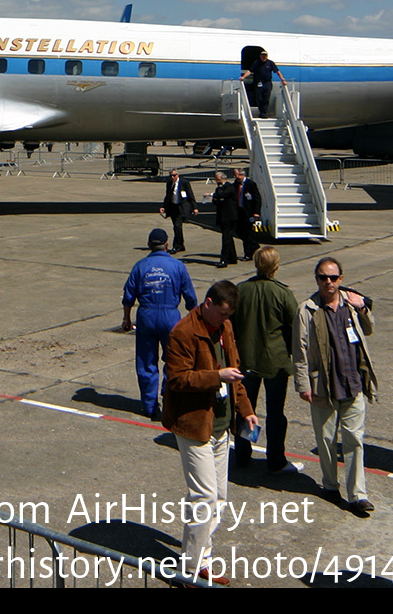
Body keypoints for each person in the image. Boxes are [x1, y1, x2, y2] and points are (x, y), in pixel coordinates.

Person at [162, 280, 257, 581]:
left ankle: (201, 559)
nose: (225, 321)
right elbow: (177, 379)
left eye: (229, 316)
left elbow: (236, 373)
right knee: (203, 497)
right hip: (193, 425)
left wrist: (247, 411)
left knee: (219, 498)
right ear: (208, 303)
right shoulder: (183, 332)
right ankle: (190, 569)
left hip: (221, 425)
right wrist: (217, 376)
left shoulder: (225, 328)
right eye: (221, 314)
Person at [293, 257, 377, 515]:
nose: (328, 282)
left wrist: (363, 309)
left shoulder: (352, 305)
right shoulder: (307, 310)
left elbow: (369, 330)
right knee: (327, 439)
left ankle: (357, 495)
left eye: (333, 277)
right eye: (322, 277)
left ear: (341, 278)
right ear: (316, 279)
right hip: (323, 386)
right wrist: (302, 384)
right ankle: (330, 484)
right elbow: (300, 350)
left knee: (354, 440)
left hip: (353, 383)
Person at [230, 246, 303, 475]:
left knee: (245, 409)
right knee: (275, 414)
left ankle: (243, 453)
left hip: (247, 361)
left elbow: (231, 325)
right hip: (275, 364)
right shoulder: (282, 293)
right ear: (276, 266)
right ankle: (275, 459)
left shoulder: (241, 290)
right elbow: (295, 327)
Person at [121, 227, 198, 419]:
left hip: (147, 315)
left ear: (148, 245)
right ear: (167, 244)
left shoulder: (140, 266)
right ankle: (170, 397)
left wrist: (126, 318)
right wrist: (194, 318)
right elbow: (190, 296)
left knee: (146, 362)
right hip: (170, 316)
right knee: (174, 360)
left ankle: (149, 406)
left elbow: (128, 296)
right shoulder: (178, 266)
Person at [240, 50, 288, 118]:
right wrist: (243, 77)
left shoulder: (270, 63)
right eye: (262, 56)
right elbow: (250, 71)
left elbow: (277, 72)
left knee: (266, 98)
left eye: (265, 56)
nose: (264, 57)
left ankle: (264, 113)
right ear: (260, 56)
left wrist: (283, 79)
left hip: (267, 83)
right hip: (259, 83)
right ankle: (261, 111)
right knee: (259, 98)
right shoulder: (257, 63)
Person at [158, 169, 197, 254]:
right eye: (171, 176)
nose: (172, 177)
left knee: (177, 226)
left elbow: (190, 195)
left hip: (181, 207)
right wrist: (163, 206)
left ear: (178, 175)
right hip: (173, 208)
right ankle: (181, 245)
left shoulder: (184, 183)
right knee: (177, 227)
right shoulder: (169, 184)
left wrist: (195, 207)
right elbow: (168, 196)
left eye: (174, 175)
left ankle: (177, 246)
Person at [232, 167, 262, 261]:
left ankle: (248, 254)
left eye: (238, 175)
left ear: (242, 175)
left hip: (248, 213)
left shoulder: (251, 184)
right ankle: (254, 245)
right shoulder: (235, 184)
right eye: (235, 175)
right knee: (239, 232)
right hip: (239, 212)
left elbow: (257, 199)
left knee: (247, 233)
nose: (237, 177)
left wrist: (256, 212)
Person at [210, 171, 238, 268]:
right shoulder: (219, 189)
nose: (217, 182)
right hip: (222, 217)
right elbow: (216, 200)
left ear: (224, 179)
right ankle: (233, 257)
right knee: (228, 238)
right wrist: (216, 197)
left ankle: (224, 259)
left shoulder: (229, 187)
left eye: (218, 179)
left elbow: (224, 194)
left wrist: (214, 195)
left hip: (230, 217)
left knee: (226, 238)